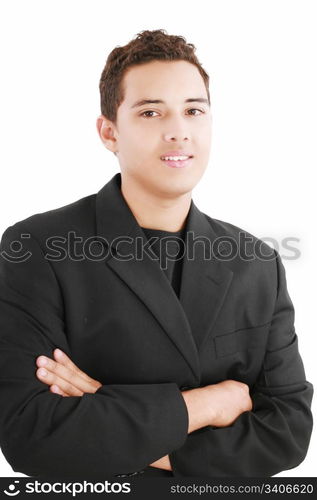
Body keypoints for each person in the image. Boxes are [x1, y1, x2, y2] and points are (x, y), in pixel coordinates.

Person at [0, 29, 313, 479]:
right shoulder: (37, 247)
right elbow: (30, 436)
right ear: (109, 132)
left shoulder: (256, 263)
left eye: (193, 111)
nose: (178, 132)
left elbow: (289, 431)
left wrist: (110, 417)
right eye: (150, 112)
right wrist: (208, 404)